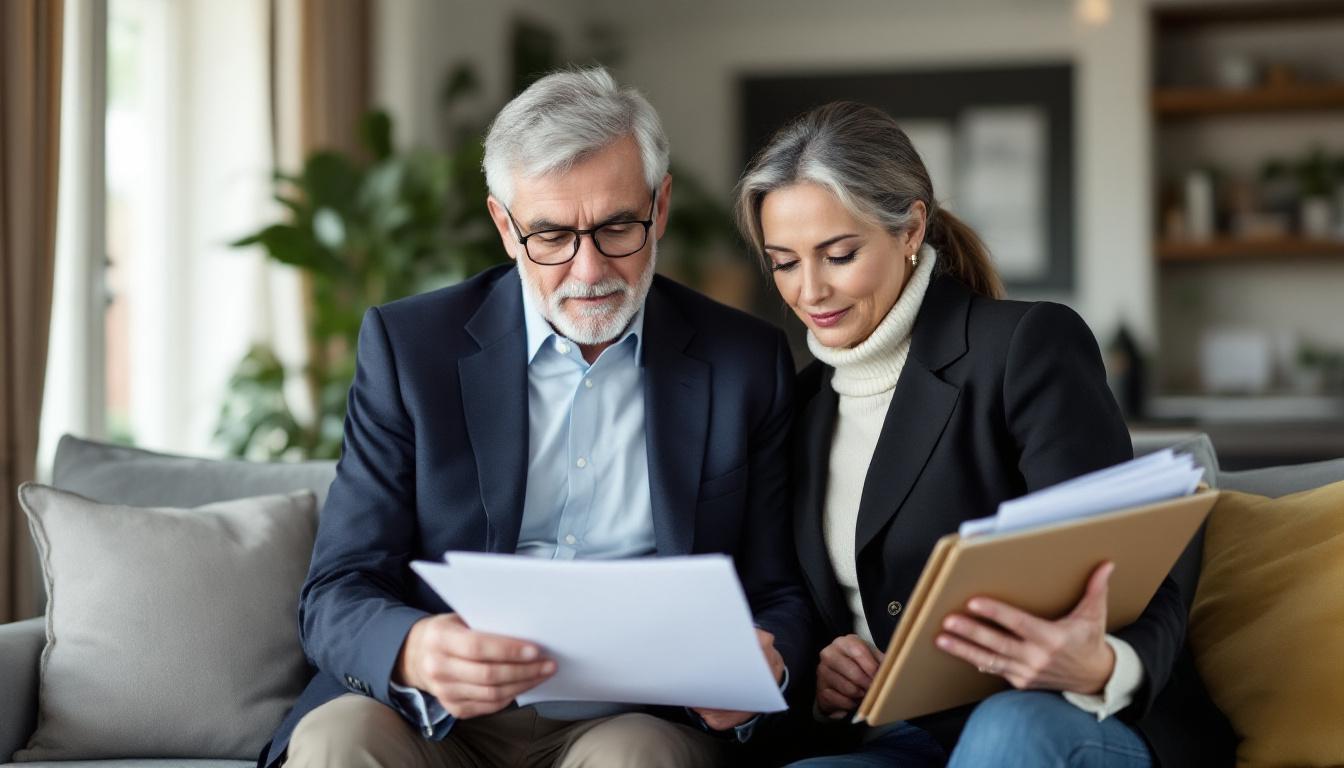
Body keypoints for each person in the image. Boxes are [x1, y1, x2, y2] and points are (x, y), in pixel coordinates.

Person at [260, 67, 809, 768]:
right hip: (433, 713)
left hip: (631, 717)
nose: (588, 272)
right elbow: (337, 586)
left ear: (661, 206)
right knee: (340, 746)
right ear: (504, 225)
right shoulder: (411, 350)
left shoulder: (744, 362)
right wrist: (415, 648)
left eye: (617, 227)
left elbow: (778, 592)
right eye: (550, 235)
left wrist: (771, 661)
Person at [733, 102, 1221, 767]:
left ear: (911, 230)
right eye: (784, 262)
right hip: (903, 738)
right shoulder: (803, 404)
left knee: (1006, 736)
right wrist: (830, 674)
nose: (810, 290)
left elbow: (1139, 556)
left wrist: (1106, 664)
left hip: (1063, 715)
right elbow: (816, 609)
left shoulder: (1024, 347)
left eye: (839, 254)